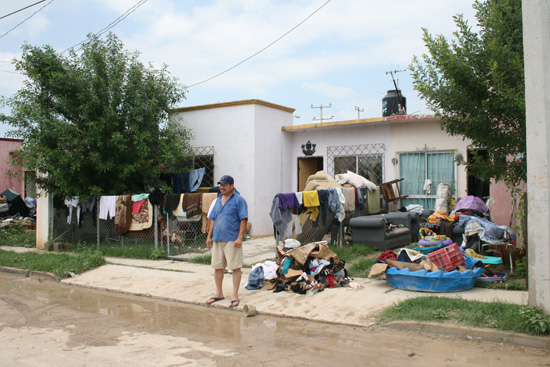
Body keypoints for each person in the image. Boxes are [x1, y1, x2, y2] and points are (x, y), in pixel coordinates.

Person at [205, 175, 248, 308]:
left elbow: (243, 220)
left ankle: (235, 295)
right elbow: (213, 219)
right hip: (218, 238)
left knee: (235, 267)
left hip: (232, 239)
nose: (222, 187)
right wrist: (209, 236)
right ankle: (219, 293)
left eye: (224, 184)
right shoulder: (217, 200)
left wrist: (240, 238)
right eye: (220, 184)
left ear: (231, 186)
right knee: (218, 267)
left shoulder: (239, 200)